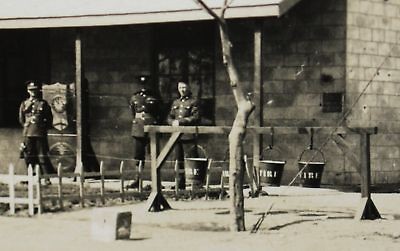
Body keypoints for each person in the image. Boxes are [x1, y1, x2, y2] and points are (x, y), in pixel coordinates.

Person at [19, 81, 55, 185]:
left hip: (39, 133)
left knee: (42, 155)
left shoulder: (43, 104)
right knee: (28, 155)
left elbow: (49, 118)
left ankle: (46, 178)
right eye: (31, 90)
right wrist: (27, 128)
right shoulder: (24, 103)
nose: (33, 92)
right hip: (28, 133)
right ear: (28, 91)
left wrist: (43, 128)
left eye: (34, 90)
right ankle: (30, 177)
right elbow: (21, 119)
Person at [126, 76, 159, 189]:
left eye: (146, 85)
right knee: (138, 155)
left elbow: (161, 112)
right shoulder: (134, 97)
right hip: (138, 129)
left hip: (151, 128)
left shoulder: (155, 96)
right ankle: (138, 179)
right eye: (142, 85)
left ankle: (156, 181)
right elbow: (132, 112)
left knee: (154, 154)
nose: (144, 87)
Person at [167, 81, 200, 189]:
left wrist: (181, 122)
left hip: (188, 135)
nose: (182, 90)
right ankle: (180, 184)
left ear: (189, 88)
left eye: (184, 87)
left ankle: (195, 184)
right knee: (178, 160)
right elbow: (170, 116)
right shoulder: (176, 102)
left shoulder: (193, 102)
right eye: (180, 87)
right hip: (177, 136)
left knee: (191, 160)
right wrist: (171, 122)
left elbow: (195, 117)